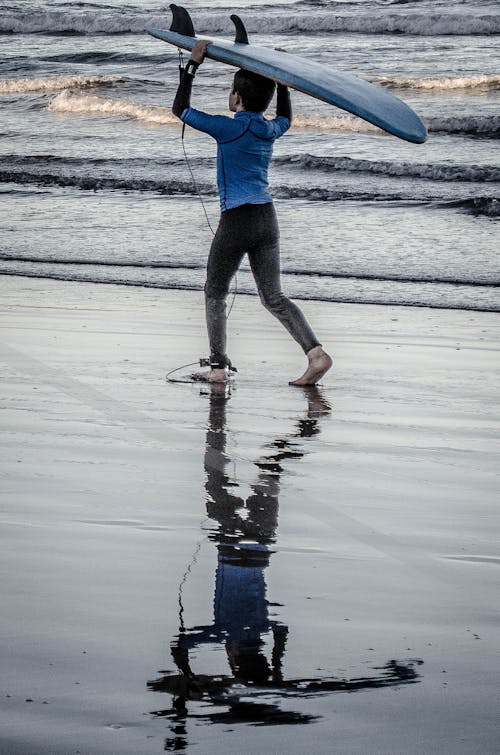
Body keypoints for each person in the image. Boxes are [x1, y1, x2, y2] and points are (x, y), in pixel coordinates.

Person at [172, 40, 332, 385]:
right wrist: (284, 83)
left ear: (236, 99)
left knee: (215, 292)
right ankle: (315, 354)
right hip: (267, 218)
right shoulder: (268, 129)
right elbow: (286, 118)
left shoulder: (227, 128)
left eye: (232, 91)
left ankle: (217, 367)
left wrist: (192, 66)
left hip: (237, 220)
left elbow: (181, 109)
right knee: (273, 296)